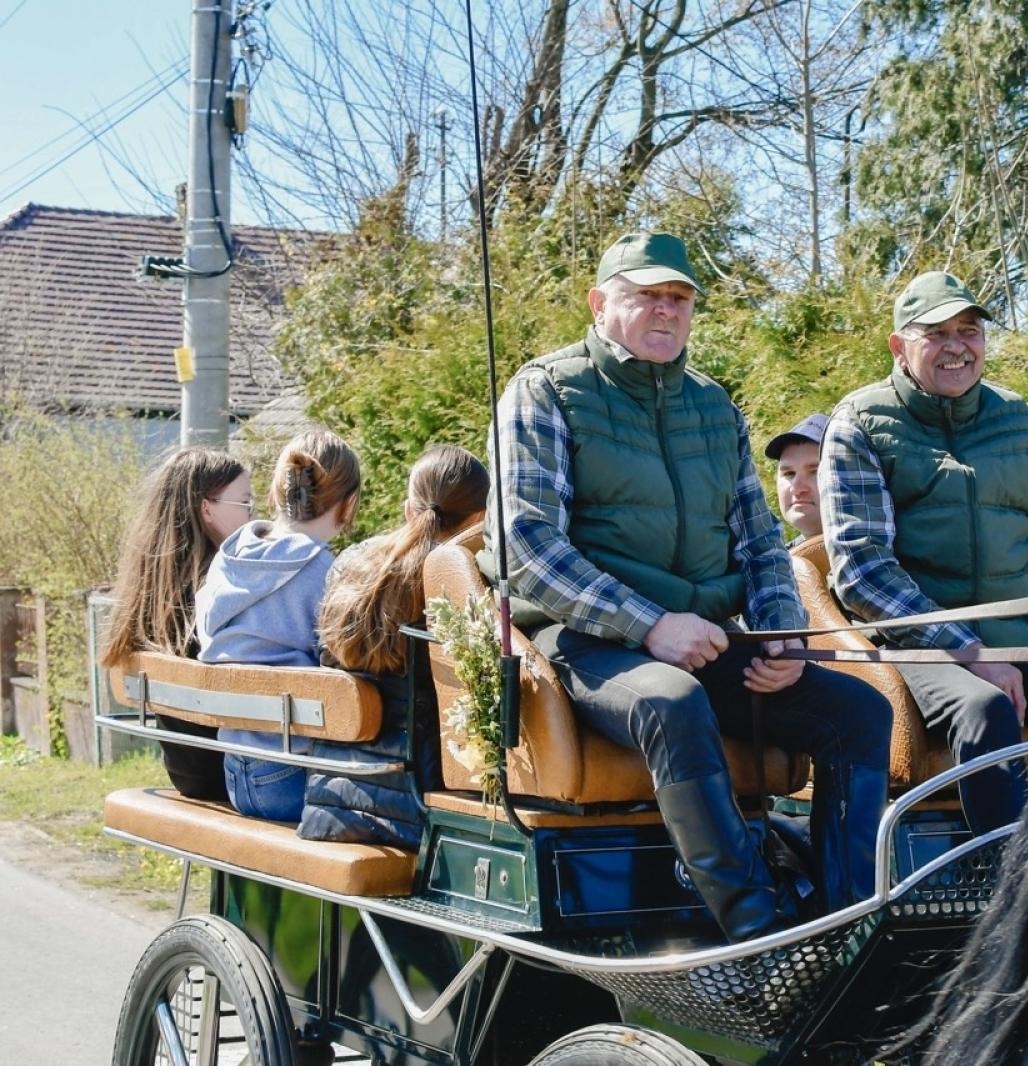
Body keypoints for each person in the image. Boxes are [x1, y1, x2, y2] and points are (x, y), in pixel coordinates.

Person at [486, 231, 892, 942]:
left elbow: (760, 540)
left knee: (858, 712)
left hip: (706, 638)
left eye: (679, 299)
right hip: (584, 642)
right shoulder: (544, 390)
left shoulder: (714, 406)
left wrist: (780, 633)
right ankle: (756, 928)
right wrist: (648, 624)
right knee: (672, 702)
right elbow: (527, 548)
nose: (667, 312)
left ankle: (846, 923)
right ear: (599, 303)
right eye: (647, 296)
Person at [822, 271, 1028, 834]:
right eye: (937, 333)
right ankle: (1008, 898)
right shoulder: (858, 424)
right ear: (899, 347)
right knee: (985, 709)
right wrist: (969, 650)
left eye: (970, 331)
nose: (957, 346)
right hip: (915, 649)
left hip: (1021, 644)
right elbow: (862, 572)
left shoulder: (1021, 420)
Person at [304, 444, 489, 848]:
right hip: (418, 811)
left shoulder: (351, 564)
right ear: (480, 519)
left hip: (332, 798)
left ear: (409, 509)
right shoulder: (465, 583)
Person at [195, 429, 362, 821]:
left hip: (235, 770)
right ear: (349, 504)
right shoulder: (326, 572)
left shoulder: (229, 557)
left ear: (277, 491)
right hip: (293, 779)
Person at [102, 447, 253, 800]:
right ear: (206, 509)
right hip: (235, 775)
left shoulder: (151, 596)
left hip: (187, 774)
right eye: (244, 503)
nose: (253, 515)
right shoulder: (222, 592)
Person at [764, 413, 827, 545]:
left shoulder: (876, 556)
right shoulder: (777, 563)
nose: (797, 488)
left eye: (815, 472)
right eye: (789, 473)